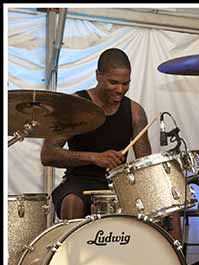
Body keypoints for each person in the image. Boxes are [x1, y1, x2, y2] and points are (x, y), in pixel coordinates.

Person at [41, 48, 181, 241]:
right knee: (72, 201)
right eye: (113, 82)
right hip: (79, 181)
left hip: (119, 184)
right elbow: (48, 154)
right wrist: (94, 157)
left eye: (126, 83)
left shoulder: (134, 112)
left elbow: (144, 164)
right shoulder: (75, 105)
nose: (120, 89)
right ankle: (71, 260)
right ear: (98, 75)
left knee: (170, 208)